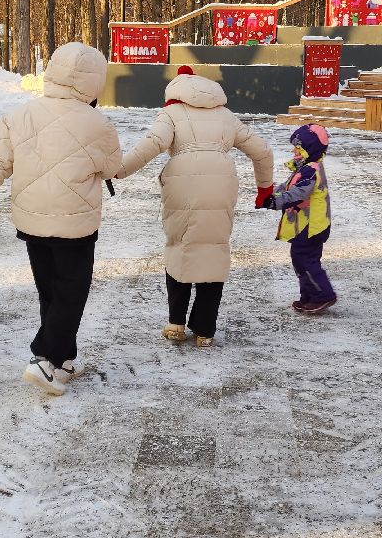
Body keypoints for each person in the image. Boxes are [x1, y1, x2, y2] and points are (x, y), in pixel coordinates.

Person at [0, 42, 122, 396]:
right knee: (71, 293)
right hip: (75, 224)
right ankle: (44, 358)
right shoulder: (98, 123)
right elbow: (112, 167)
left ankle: (63, 361)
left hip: (31, 222)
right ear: (94, 80)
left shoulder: (19, 116)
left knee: (50, 291)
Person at [116, 66, 273, 346]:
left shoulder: (172, 113)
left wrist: (118, 170)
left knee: (180, 246)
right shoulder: (225, 115)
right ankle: (205, 330)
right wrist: (265, 189)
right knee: (214, 248)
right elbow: (262, 151)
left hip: (182, 181)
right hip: (222, 182)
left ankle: (176, 324)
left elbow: (152, 144)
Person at [262, 123, 336, 315]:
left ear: (309, 149)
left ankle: (322, 295)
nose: (294, 150)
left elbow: (298, 193)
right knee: (303, 259)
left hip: (311, 226)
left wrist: (274, 202)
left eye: (298, 147)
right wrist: (271, 194)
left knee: (304, 259)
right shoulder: (305, 167)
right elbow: (288, 186)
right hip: (309, 225)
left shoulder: (310, 170)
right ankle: (309, 297)